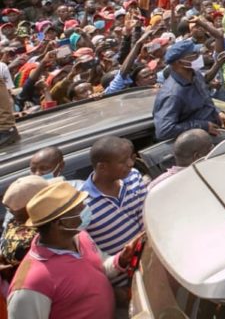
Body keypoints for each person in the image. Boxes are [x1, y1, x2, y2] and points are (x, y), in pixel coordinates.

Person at [8, 181, 136, 318]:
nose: (85, 209)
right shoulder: (31, 283)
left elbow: (100, 266)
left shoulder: (80, 236)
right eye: (78, 209)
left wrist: (120, 260)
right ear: (60, 223)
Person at [81, 136, 147, 258]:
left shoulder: (134, 176)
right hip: (123, 274)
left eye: (130, 158)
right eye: (123, 161)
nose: (130, 164)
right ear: (102, 167)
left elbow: (147, 213)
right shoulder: (82, 205)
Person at [152, 40, 225, 141]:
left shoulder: (195, 75)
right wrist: (201, 126)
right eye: (194, 54)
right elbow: (164, 130)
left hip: (215, 132)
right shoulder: (172, 94)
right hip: (197, 142)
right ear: (179, 62)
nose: (199, 56)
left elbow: (205, 100)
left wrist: (217, 112)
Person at [0, 175, 49, 266]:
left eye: (15, 208)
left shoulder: (46, 232)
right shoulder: (16, 220)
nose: (11, 211)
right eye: (8, 207)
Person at [148, 129, 214, 190]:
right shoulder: (208, 177)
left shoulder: (154, 187)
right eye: (210, 148)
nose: (213, 151)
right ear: (197, 156)